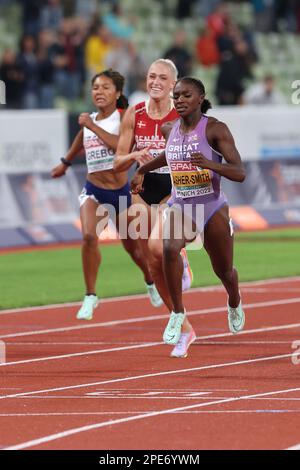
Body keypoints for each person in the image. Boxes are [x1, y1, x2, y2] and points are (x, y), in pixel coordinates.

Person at [131, 76, 246, 358]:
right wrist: (142, 170)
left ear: (200, 97)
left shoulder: (215, 129)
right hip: (182, 204)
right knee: (169, 248)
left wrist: (209, 164)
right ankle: (178, 314)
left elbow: (239, 172)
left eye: (186, 96)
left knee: (224, 270)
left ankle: (234, 299)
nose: (180, 100)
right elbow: (168, 157)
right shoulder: (170, 129)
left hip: (211, 206)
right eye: (177, 96)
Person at [51, 69, 162, 320]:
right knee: (89, 237)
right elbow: (82, 138)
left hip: (121, 193)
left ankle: (149, 280)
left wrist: (92, 125)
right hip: (93, 190)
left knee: (134, 249)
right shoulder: (89, 120)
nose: (99, 92)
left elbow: (118, 147)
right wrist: (65, 162)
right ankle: (90, 295)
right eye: (95, 88)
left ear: (118, 93)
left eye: (105, 88)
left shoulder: (124, 118)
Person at [113, 59, 193, 315]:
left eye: (162, 78)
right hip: (143, 186)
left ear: (173, 85)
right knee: (151, 257)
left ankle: (180, 256)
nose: (155, 82)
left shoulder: (183, 114)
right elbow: (117, 161)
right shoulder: (133, 113)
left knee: (162, 246)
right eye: (151, 77)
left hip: (174, 184)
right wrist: (135, 157)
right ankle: (176, 315)